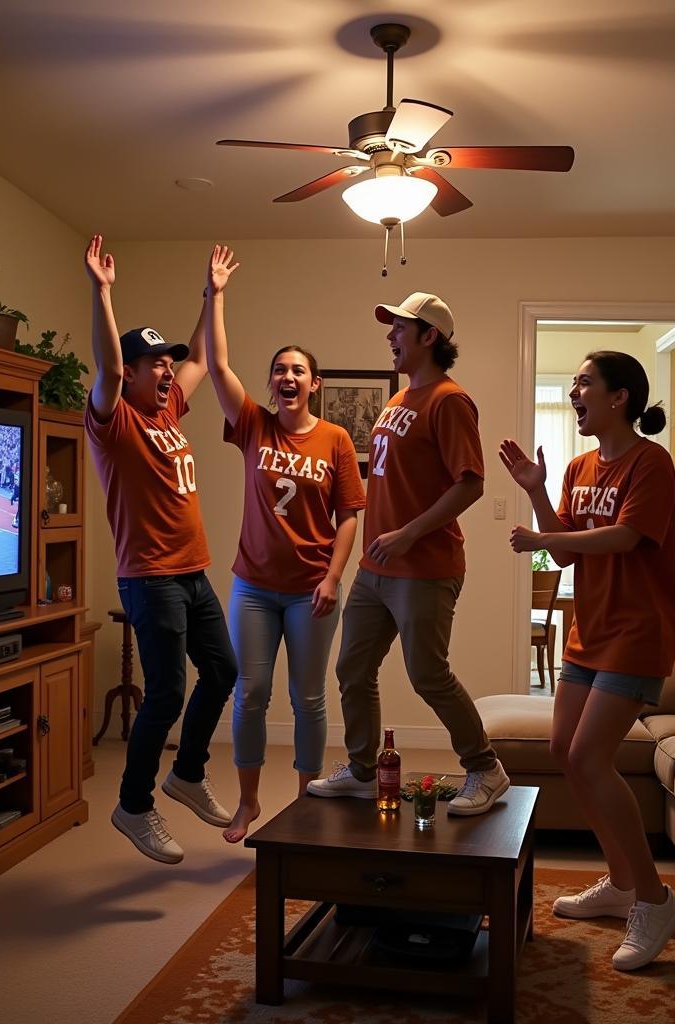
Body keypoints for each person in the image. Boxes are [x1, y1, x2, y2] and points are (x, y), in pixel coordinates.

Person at [501, 351, 675, 971]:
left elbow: (627, 538)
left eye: (585, 382)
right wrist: (535, 493)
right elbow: (566, 558)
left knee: (588, 756)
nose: (575, 390)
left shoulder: (651, 463)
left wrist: (544, 538)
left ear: (621, 398)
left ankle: (656, 900)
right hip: (590, 632)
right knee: (564, 751)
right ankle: (620, 883)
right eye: (575, 384)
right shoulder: (580, 465)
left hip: (638, 634)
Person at [307, 292, 510, 815]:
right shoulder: (399, 401)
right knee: (353, 669)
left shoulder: (449, 400)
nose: (390, 336)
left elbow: (471, 484)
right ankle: (361, 770)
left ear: (429, 337)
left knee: (427, 673)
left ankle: (485, 768)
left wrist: (408, 534)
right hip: (375, 568)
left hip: (424, 567)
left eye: (400, 328)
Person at [84, 234, 239, 864]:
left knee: (223, 672)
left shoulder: (168, 409)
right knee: (169, 693)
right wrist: (101, 292)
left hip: (192, 572)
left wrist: (212, 296)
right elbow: (110, 369)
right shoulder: (114, 420)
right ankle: (134, 805)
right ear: (131, 374)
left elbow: (199, 355)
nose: (167, 369)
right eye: (156, 364)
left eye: (166, 363)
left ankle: (188, 775)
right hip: (150, 578)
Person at [203, 244, 366, 843]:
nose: (288, 377)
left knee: (308, 698)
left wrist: (330, 577)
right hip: (251, 586)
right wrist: (216, 294)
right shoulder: (253, 425)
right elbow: (219, 369)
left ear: (314, 384)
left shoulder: (336, 440)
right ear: (271, 383)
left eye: (298, 370)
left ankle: (304, 803)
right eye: (280, 369)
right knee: (251, 693)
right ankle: (247, 802)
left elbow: (350, 515)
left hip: (310, 592)